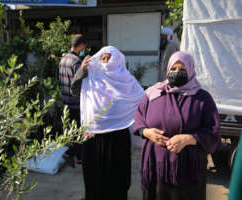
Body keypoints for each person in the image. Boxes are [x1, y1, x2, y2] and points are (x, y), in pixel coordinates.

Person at [134, 51, 221, 200]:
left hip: (189, 170)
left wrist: (189, 138)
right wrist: (147, 132)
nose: (176, 73)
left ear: (191, 70)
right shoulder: (153, 93)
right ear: (168, 69)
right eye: (173, 69)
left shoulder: (202, 98)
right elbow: (138, 118)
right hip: (156, 164)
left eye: (182, 70)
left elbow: (213, 130)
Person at [71, 46, 144, 200]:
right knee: (93, 177)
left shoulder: (127, 81)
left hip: (117, 139)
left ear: (117, 60)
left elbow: (142, 101)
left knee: (117, 177)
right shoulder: (91, 77)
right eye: (102, 58)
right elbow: (75, 90)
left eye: (108, 58)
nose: (104, 62)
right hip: (93, 138)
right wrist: (81, 71)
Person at [59, 34, 87, 167]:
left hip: (66, 101)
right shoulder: (76, 62)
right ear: (81, 45)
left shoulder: (63, 60)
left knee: (73, 130)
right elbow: (78, 82)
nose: (84, 49)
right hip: (76, 102)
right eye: (84, 46)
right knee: (79, 131)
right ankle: (76, 156)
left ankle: (71, 154)